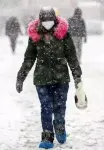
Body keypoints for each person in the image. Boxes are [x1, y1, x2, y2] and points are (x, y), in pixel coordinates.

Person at [16, 7, 83, 149]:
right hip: (41, 79)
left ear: (54, 20)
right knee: (46, 107)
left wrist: (77, 77)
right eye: (44, 21)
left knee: (59, 106)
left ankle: (59, 126)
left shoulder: (63, 35)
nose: (47, 23)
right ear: (40, 21)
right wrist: (20, 77)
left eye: (50, 20)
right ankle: (47, 136)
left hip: (61, 78)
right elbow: (29, 58)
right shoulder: (35, 36)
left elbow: (72, 57)